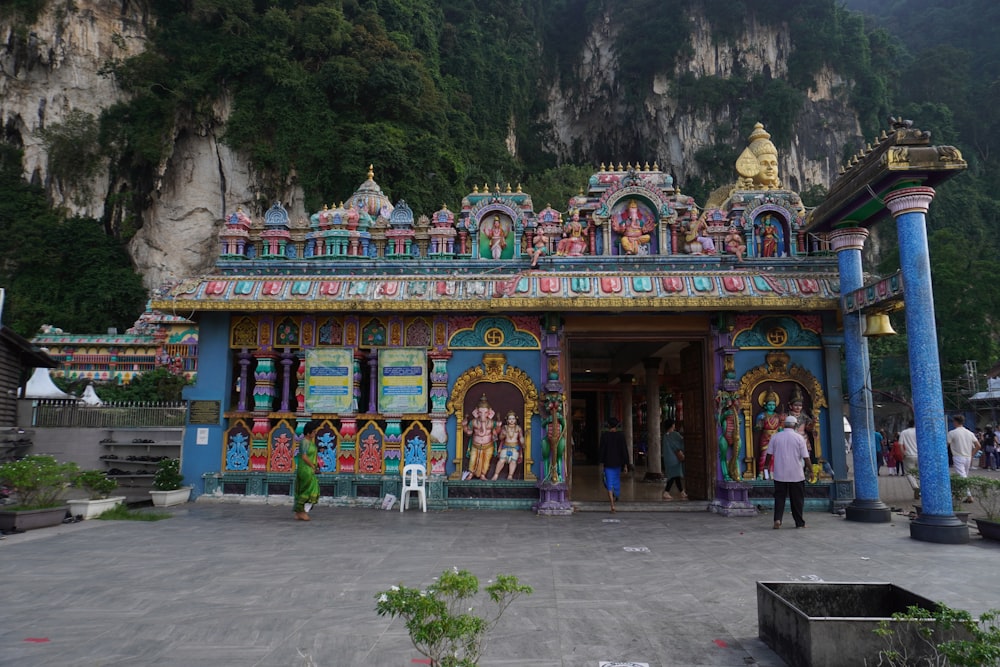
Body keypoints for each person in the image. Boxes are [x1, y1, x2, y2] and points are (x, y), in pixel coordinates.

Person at [764, 415, 812, 529]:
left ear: (784, 424)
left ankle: (777, 519)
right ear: (795, 425)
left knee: (779, 498)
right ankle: (799, 522)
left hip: (780, 473)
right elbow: (806, 457)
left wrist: (766, 466)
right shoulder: (799, 438)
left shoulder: (776, 437)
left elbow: (769, 454)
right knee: (797, 500)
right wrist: (811, 470)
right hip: (796, 474)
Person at [598, 417, 630, 513]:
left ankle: (612, 505)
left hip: (608, 463)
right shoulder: (621, 436)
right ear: (616, 426)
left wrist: (601, 461)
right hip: (617, 463)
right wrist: (625, 464)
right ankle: (615, 498)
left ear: (608, 426)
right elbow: (624, 450)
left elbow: (602, 450)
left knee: (609, 483)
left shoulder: (604, 436)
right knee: (616, 481)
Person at [294, 419, 324, 521]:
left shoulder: (309, 442)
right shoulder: (304, 442)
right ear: (308, 433)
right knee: (310, 489)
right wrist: (313, 466)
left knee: (307, 489)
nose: (315, 433)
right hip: (306, 469)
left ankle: (300, 512)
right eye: (314, 432)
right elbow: (304, 456)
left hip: (309, 469)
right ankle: (302, 511)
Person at [464, 394, 499, 480]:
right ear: (476, 412)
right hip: (475, 445)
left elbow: (496, 434)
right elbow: (469, 433)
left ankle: (483, 474)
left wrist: (498, 427)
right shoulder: (474, 422)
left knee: (486, 461)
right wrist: (464, 426)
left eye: (485, 412)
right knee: (472, 460)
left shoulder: (491, 423)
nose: (483, 414)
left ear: (490, 413)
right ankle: (471, 473)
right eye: (480, 412)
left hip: (488, 445)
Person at [947, 415, 980, 485]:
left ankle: (968, 494)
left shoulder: (952, 433)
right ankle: (964, 492)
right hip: (968, 457)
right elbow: (978, 446)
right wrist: (972, 454)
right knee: (964, 475)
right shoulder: (970, 433)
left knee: (962, 476)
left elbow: (946, 444)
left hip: (958, 456)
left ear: (955, 422)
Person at [755, 390, 781, 480]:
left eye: (773, 405)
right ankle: (761, 473)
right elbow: (757, 428)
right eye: (769, 405)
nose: (771, 407)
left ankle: (772, 473)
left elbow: (780, 428)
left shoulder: (778, 416)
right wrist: (759, 421)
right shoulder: (762, 415)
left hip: (776, 437)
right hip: (765, 437)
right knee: (764, 456)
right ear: (765, 405)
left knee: (774, 456)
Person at [491, 411, 524, 480]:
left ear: (515, 420)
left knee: (513, 461)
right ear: (507, 420)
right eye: (510, 419)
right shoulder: (505, 427)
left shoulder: (518, 428)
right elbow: (500, 438)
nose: (511, 421)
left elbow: (520, 436)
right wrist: (503, 434)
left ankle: (510, 475)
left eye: (513, 419)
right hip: (506, 446)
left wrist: (522, 441)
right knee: (501, 460)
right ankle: (496, 475)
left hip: (515, 447)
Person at [661, 418, 686, 500]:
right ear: (672, 425)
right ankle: (666, 492)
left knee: (675, 476)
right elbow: (681, 443)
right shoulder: (675, 434)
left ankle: (682, 492)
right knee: (673, 476)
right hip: (675, 459)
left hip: (668, 459)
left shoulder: (665, 436)